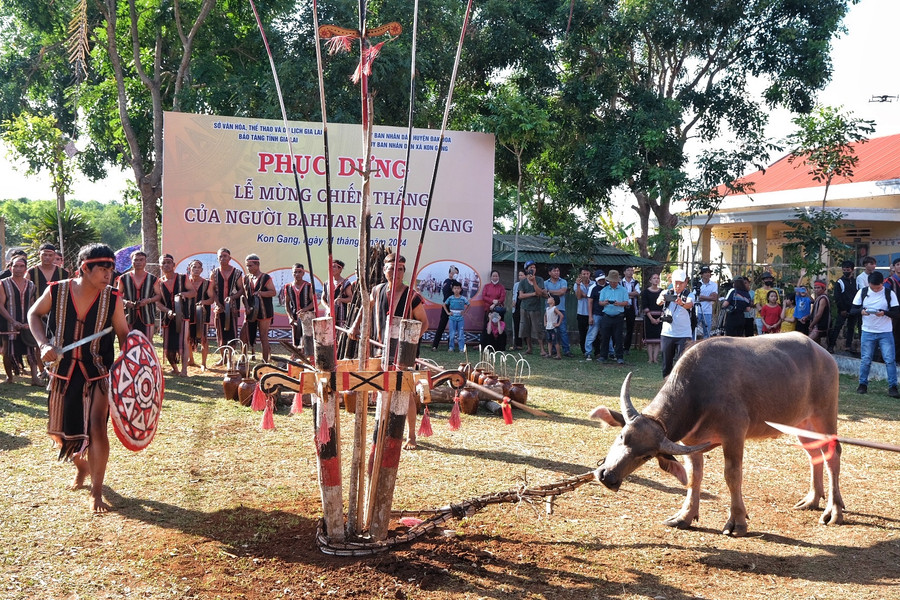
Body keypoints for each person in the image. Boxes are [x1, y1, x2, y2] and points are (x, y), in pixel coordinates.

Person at [27, 243, 130, 514]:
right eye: (102, 268)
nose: (108, 274)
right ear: (85, 268)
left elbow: (124, 336)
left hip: (98, 372)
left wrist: (131, 365)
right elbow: (33, 315)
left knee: (97, 428)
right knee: (63, 435)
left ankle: (97, 492)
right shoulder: (57, 290)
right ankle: (82, 467)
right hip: (63, 372)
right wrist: (43, 344)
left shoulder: (113, 298)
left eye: (111, 269)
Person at [349, 253, 429, 449]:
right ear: (384, 271)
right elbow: (365, 308)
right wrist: (355, 326)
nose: (396, 272)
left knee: (406, 393)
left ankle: (411, 436)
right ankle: (383, 431)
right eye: (392, 268)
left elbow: (424, 323)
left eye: (400, 269)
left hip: (404, 354)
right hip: (380, 349)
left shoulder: (413, 296)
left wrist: (410, 343)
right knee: (382, 389)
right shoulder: (377, 290)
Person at [850, 271, 899, 397]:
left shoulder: (889, 293)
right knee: (866, 359)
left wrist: (884, 313)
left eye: (877, 288)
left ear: (882, 283)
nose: (875, 290)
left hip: (885, 332)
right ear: (869, 284)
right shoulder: (863, 292)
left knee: (889, 360)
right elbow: (852, 310)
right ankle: (862, 384)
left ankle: (893, 387)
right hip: (868, 331)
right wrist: (862, 311)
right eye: (872, 287)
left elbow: (897, 313)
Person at [0, 254, 41, 385]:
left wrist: (31, 321)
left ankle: (34, 378)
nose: (18, 269)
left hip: (26, 323)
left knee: (31, 349)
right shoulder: (3, 283)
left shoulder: (31, 285)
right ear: (10, 268)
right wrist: (12, 321)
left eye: (21, 266)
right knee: (8, 350)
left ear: (26, 268)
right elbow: (0, 305)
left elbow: (33, 304)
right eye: (15, 266)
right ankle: (10, 377)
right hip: (8, 322)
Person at [154, 254, 193, 376]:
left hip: (183, 315)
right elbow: (158, 302)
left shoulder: (183, 278)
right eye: (163, 263)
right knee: (168, 344)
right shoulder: (159, 283)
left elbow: (193, 292)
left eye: (168, 262)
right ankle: (175, 369)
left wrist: (183, 294)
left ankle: (184, 370)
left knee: (184, 342)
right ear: (160, 266)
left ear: (174, 265)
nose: (166, 265)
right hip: (168, 318)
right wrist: (167, 311)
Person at [657, 269, 695, 378]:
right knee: (666, 363)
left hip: (684, 334)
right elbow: (658, 301)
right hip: (667, 333)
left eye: (680, 283)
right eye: (675, 283)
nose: (677, 286)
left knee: (684, 363)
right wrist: (662, 299)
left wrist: (681, 303)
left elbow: (689, 304)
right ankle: (666, 383)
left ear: (686, 282)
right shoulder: (666, 292)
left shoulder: (689, 294)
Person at [209, 247, 244, 363]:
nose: (223, 258)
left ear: (229, 258)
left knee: (232, 332)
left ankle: (230, 358)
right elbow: (212, 290)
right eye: (220, 256)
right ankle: (223, 358)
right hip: (219, 308)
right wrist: (217, 303)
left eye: (225, 256)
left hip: (232, 307)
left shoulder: (237, 273)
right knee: (220, 332)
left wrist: (232, 298)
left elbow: (241, 290)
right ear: (218, 258)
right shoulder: (214, 273)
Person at [240, 254, 277, 362]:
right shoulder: (246, 278)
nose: (248, 268)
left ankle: (265, 361)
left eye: (250, 265)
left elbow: (273, 292)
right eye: (247, 266)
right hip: (250, 311)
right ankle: (243, 359)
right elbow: (244, 294)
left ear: (257, 265)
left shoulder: (266, 277)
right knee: (244, 335)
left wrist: (260, 293)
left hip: (264, 311)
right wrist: (246, 306)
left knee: (263, 336)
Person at [117, 250, 158, 340]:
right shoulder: (123, 278)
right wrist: (125, 302)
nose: (138, 262)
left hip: (147, 315)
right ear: (132, 262)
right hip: (129, 315)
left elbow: (159, 295)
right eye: (136, 260)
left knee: (147, 342)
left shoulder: (153, 279)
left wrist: (148, 300)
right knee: (130, 342)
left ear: (145, 262)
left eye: (141, 260)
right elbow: (118, 295)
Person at [596, 269, 630, 365]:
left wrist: (618, 303)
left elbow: (626, 302)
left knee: (618, 337)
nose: (613, 283)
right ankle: (603, 356)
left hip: (618, 317)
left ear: (617, 281)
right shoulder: (604, 290)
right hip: (606, 316)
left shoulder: (623, 290)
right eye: (611, 281)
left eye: (615, 282)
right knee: (604, 337)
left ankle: (619, 356)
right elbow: (600, 302)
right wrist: (605, 302)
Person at [185, 259, 212, 370]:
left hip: (203, 314)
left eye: (198, 267)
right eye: (193, 267)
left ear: (201, 270)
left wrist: (204, 302)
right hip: (188, 313)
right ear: (189, 269)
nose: (196, 269)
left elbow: (212, 299)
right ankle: (191, 359)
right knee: (188, 338)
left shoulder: (207, 283)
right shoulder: (185, 282)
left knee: (204, 339)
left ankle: (203, 363)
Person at [517, 260, 548, 356]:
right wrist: (533, 294)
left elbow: (540, 293)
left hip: (535, 308)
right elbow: (520, 296)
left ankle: (542, 349)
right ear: (526, 270)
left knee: (538, 328)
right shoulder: (522, 282)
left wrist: (534, 282)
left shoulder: (539, 280)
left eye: (534, 268)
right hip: (524, 308)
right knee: (526, 328)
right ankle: (529, 348)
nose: (532, 269)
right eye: (530, 268)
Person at [282, 263, 316, 347]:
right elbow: (286, 303)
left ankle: (307, 355)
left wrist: (304, 309)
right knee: (296, 337)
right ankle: (296, 353)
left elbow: (314, 303)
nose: (297, 274)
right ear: (292, 273)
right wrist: (290, 317)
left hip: (307, 315)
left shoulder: (309, 286)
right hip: (295, 315)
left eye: (299, 272)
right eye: (295, 272)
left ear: (303, 273)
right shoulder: (288, 286)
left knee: (307, 338)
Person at [828, 259, 858, 354]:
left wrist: (855, 308)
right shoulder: (839, 282)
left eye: (847, 269)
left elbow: (857, 295)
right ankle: (831, 346)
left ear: (852, 270)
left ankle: (848, 346)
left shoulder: (855, 282)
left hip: (853, 309)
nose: (845, 271)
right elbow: (837, 297)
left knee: (851, 328)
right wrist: (842, 309)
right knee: (837, 327)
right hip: (843, 310)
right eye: (844, 269)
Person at [544, 265, 572, 357]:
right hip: (549, 311)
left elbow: (562, 292)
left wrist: (550, 292)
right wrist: (554, 292)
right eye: (554, 271)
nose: (557, 272)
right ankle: (552, 350)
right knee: (550, 330)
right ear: (549, 272)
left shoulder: (563, 281)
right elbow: (544, 293)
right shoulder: (545, 283)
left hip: (560, 309)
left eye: (558, 271)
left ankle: (566, 350)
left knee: (563, 330)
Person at [430, 265, 460, 351]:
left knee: (453, 327)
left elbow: (461, 292)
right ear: (450, 273)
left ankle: (450, 346)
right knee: (441, 326)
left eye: (456, 273)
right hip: (446, 307)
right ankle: (435, 345)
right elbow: (446, 291)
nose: (455, 275)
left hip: (455, 307)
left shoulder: (457, 283)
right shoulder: (446, 282)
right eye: (454, 273)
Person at [320, 259, 353, 328]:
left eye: (334, 267)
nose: (331, 269)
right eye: (330, 267)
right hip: (329, 315)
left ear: (340, 269)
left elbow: (351, 298)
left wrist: (340, 300)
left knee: (340, 336)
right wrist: (328, 307)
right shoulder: (327, 283)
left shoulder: (345, 283)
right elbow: (323, 299)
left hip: (341, 317)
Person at [480, 270, 506, 348]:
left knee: (500, 328)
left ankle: (499, 346)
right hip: (488, 309)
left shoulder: (501, 287)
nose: (495, 277)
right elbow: (484, 296)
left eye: (496, 276)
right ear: (491, 277)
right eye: (493, 276)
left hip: (498, 311)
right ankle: (485, 345)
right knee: (487, 328)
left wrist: (495, 303)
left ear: (499, 277)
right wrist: (492, 301)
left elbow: (502, 298)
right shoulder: (486, 286)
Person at [641, 273, 663, 364]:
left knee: (658, 340)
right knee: (649, 340)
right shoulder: (645, 292)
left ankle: (656, 358)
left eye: (658, 278)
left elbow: (665, 307)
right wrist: (651, 318)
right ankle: (650, 358)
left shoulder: (662, 292)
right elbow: (645, 306)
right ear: (650, 280)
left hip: (660, 318)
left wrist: (659, 318)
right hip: (649, 317)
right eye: (654, 278)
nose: (656, 280)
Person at [443, 281, 469, 352]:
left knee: (460, 333)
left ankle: (461, 348)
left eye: (458, 288)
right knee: (452, 333)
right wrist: (448, 312)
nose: (456, 290)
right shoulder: (450, 298)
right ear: (452, 289)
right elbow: (444, 305)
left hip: (460, 319)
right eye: (455, 288)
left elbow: (468, 305)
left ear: (460, 289)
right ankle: (451, 347)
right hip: (452, 318)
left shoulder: (463, 298)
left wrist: (465, 312)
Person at [883, 256, 900, 361]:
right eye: (898, 264)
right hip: (894, 313)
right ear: (893, 267)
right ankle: (889, 359)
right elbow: (885, 296)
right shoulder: (889, 281)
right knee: (893, 336)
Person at [574, 267, 593, 356]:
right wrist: (578, 285)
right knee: (583, 334)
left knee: (594, 332)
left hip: (592, 312)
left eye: (587, 274)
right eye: (584, 274)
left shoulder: (594, 284)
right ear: (580, 275)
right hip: (581, 312)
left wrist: (585, 295)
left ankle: (596, 352)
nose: (586, 276)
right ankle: (584, 351)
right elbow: (579, 296)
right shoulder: (577, 284)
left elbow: (591, 296)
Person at [621, 266, 641, 353]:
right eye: (628, 270)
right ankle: (618, 345)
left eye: (631, 270)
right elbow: (620, 294)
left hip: (632, 307)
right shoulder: (620, 282)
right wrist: (630, 295)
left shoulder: (635, 282)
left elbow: (637, 293)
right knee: (619, 327)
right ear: (624, 272)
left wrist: (626, 294)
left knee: (630, 328)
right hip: (621, 307)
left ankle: (626, 348)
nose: (630, 272)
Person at [696, 266, 718, 339]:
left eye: (708, 272)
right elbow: (696, 297)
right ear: (702, 274)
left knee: (707, 332)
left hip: (708, 311)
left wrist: (702, 297)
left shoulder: (714, 285)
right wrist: (709, 297)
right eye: (705, 272)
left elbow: (714, 298)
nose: (707, 274)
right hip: (697, 310)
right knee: (694, 329)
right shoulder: (698, 284)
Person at [808, 280, 831, 347]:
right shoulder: (818, 298)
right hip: (817, 325)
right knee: (816, 345)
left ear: (823, 289)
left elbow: (818, 315)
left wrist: (811, 325)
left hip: (820, 325)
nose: (816, 290)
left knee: (808, 342)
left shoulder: (823, 299)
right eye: (815, 288)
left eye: (818, 288)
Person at [510, 269, 526, 350]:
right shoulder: (516, 285)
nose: (520, 277)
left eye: (522, 275)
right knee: (516, 325)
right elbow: (514, 294)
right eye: (519, 275)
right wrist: (513, 301)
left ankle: (526, 343)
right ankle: (518, 343)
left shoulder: (527, 284)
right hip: (516, 306)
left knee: (524, 325)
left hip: (524, 306)